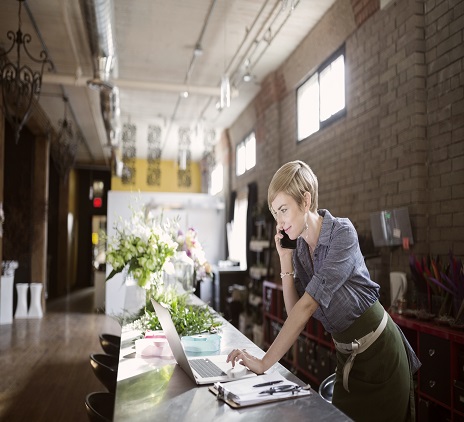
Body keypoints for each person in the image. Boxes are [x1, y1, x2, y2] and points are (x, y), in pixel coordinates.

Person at [227, 160, 420, 422]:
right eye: (275, 214)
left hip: (381, 355)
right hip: (347, 359)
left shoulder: (342, 234)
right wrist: (285, 258)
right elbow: (293, 312)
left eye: (284, 210)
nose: (280, 222)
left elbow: (307, 307)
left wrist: (263, 362)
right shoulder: (301, 252)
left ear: (305, 201)